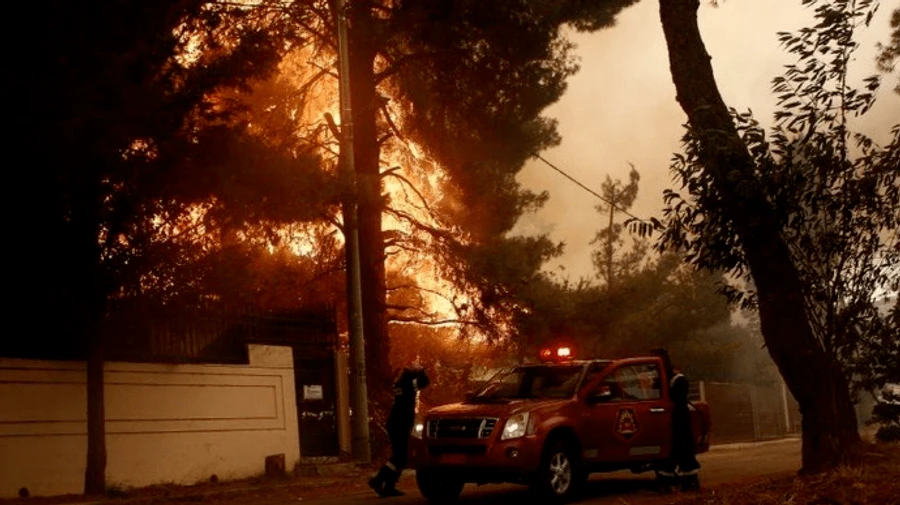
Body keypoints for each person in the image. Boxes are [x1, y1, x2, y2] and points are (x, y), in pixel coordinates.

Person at [369, 365, 430, 498]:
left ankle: (389, 486)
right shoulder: (409, 384)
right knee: (400, 457)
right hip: (400, 423)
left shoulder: (401, 383)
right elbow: (425, 382)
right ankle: (378, 480)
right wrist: (421, 371)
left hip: (396, 423)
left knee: (400, 457)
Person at [651, 348, 701, 492]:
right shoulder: (660, 380)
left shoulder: (679, 380)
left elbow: (678, 399)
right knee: (666, 453)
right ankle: (666, 481)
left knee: (685, 451)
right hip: (666, 422)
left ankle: (690, 481)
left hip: (680, 421)